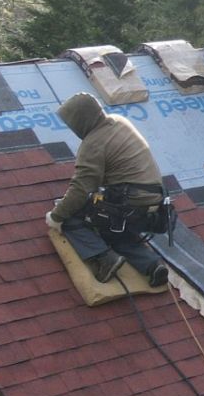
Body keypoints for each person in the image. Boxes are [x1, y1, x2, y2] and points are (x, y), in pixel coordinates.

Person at [47, 93, 171, 287]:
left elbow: (81, 188)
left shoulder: (93, 143)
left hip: (130, 206)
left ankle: (104, 259)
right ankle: (152, 266)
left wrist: (56, 216)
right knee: (118, 234)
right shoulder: (119, 122)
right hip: (154, 206)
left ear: (80, 120)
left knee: (72, 218)